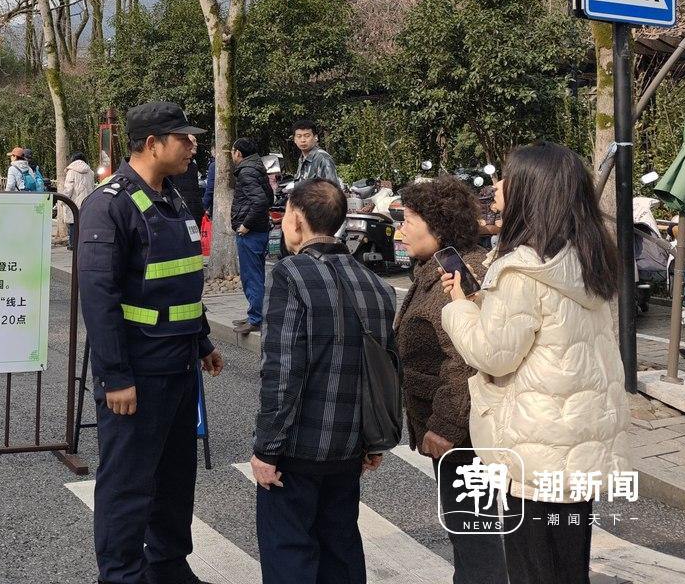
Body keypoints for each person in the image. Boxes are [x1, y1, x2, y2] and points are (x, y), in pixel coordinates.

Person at [440, 142, 629, 584]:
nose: (496, 184)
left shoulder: (522, 269)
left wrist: (458, 306)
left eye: (507, 177)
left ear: (531, 191)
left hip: (537, 446)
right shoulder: (586, 259)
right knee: (568, 566)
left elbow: (493, 354)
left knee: (533, 568)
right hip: (579, 441)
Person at [77, 102, 223, 584]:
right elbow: (99, 300)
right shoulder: (110, 203)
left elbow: (180, 281)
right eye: (182, 137)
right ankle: (120, 575)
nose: (192, 144)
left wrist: (202, 340)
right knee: (128, 485)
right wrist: (115, 377)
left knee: (175, 481)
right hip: (137, 374)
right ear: (151, 143)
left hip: (179, 368)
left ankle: (167, 567)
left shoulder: (174, 197)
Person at [251, 178, 396, 584]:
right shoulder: (377, 286)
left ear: (295, 220)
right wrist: (375, 440)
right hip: (351, 446)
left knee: (290, 550)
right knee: (341, 546)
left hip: (298, 447)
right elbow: (385, 369)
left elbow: (281, 371)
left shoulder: (291, 275)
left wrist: (266, 448)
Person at [393, 177, 507, 584]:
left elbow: (465, 361)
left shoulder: (454, 277)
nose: (400, 230)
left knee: (473, 532)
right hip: (457, 427)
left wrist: (445, 426)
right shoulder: (438, 266)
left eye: (408, 220)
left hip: (465, 432)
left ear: (437, 225)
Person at [230, 137, 274, 336]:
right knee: (256, 274)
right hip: (260, 229)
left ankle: (256, 318)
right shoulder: (257, 168)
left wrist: (245, 225)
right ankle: (255, 314)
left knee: (251, 276)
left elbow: (261, 201)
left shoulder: (246, 171)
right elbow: (269, 197)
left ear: (238, 153)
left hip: (252, 232)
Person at [59, 151, 96, 250]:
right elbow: (92, 187)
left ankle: (72, 244)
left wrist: (63, 200)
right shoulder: (90, 172)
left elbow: (68, 189)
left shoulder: (71, 172)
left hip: (74, 201)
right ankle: (83, 242)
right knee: (84, 223)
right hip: (87, 201)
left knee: (73, 223)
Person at [292, 118, 338, 184]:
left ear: (315, 137)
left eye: (307, 136)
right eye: (299, 136)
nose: (303, 140)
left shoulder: (322, 158)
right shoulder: (302, 159)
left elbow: (332, 189)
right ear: (295, 140)